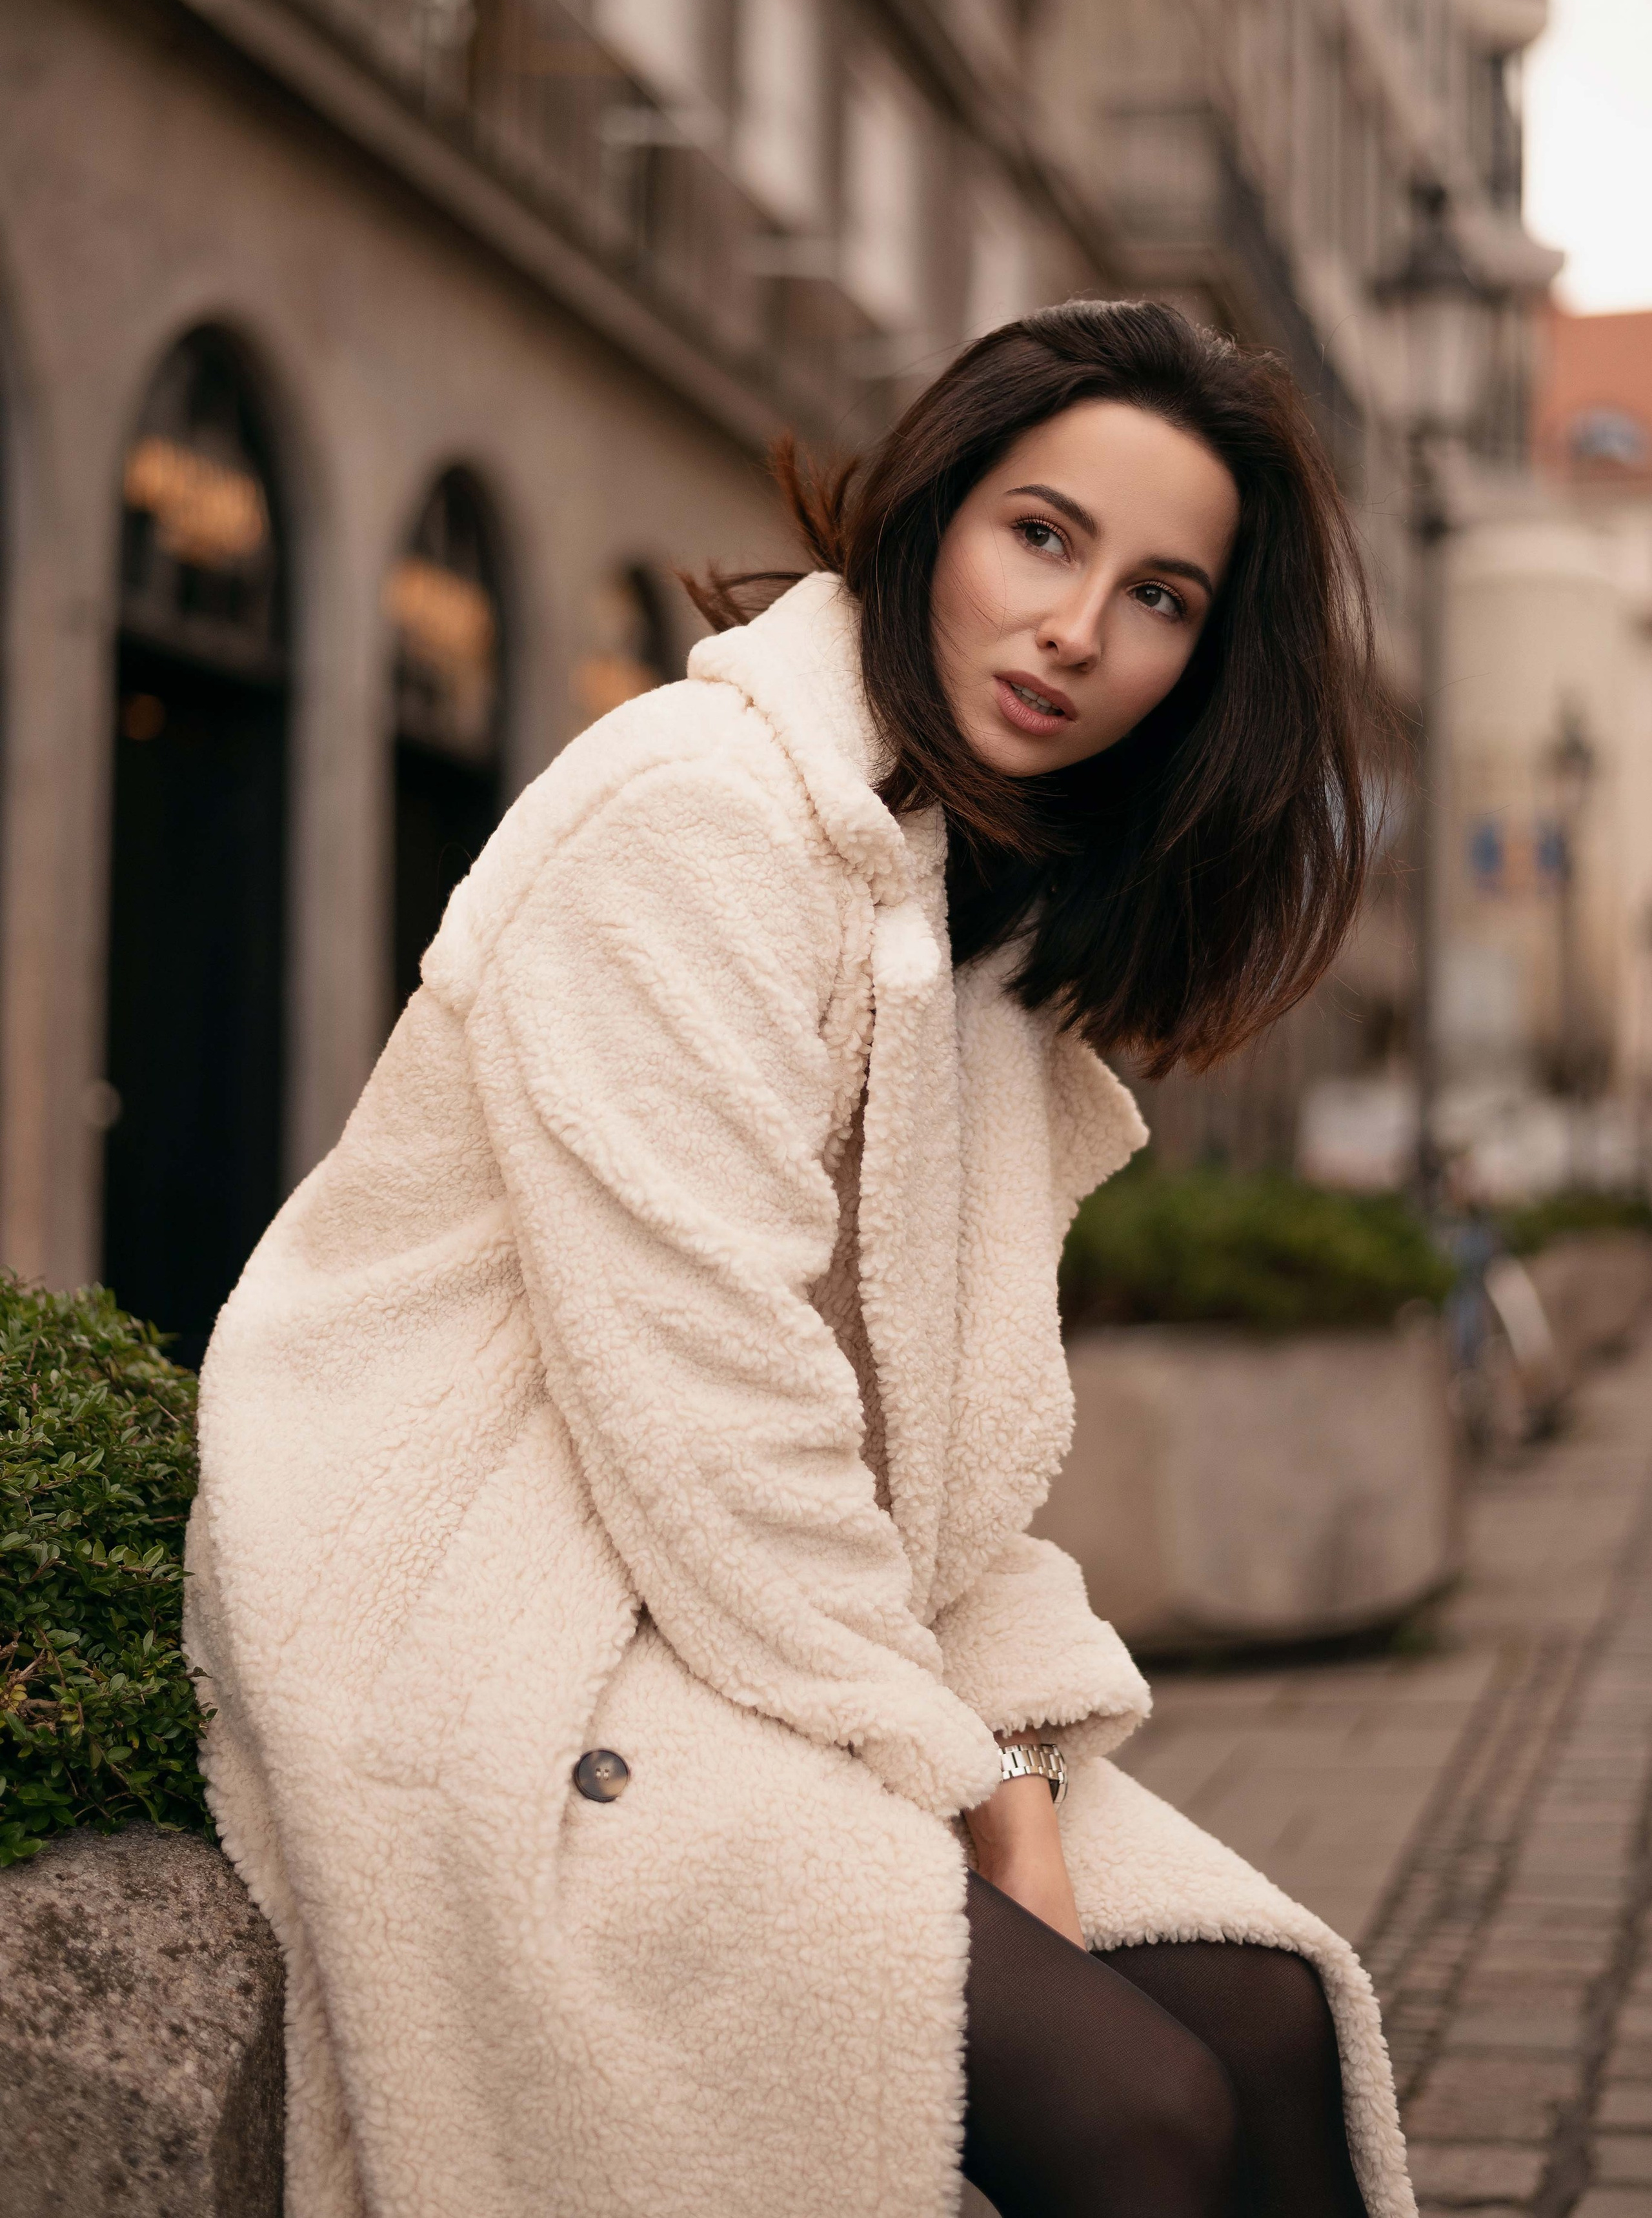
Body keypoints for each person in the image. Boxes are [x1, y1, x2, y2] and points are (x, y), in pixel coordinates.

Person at [186, 301, 1415, 2218]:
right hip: (499, 1602)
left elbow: (955, 1455)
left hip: (757, 1613)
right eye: (1043, 535)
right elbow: (706, 1393)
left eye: (1160, 596)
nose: (1078, 629)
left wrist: (1014, 1737)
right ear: (931, 515)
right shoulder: (696, 810)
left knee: (1266, 2026)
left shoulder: (967, 934)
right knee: (1140, 2116)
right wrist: (976, 1784)